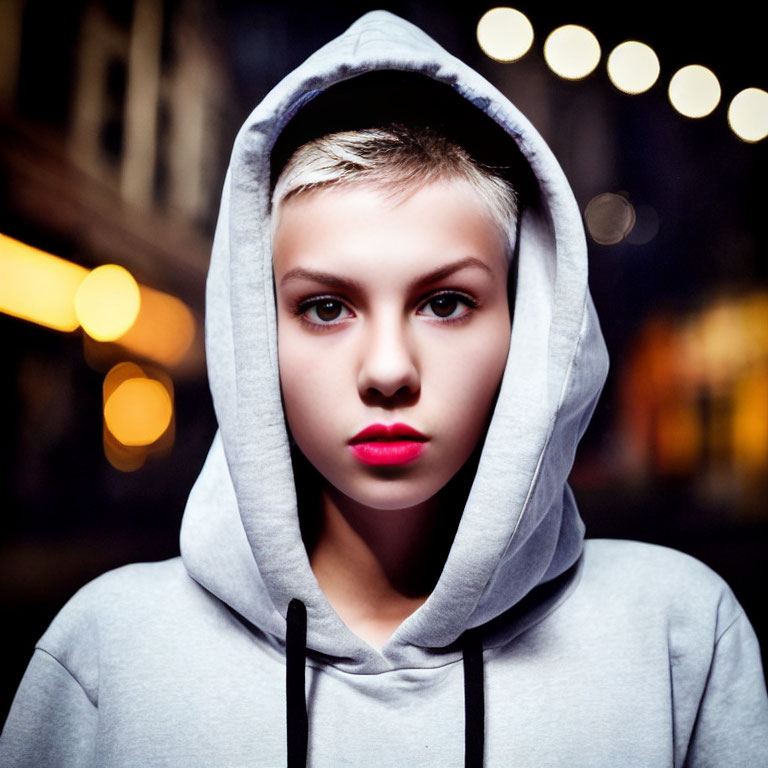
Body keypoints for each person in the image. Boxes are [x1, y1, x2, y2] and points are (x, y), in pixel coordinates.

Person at [2, 10, 767, 767]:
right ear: (256, 333)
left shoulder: (676, 636)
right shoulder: (111, 651)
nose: (389, 370)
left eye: (445, 303)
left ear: (526, 328)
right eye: (325, 308)